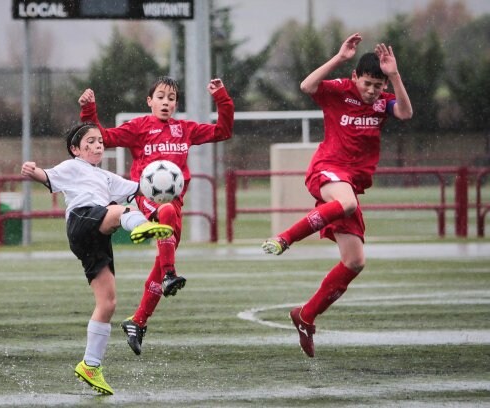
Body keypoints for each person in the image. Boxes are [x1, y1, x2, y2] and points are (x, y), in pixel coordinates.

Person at [262, 33, 413, 357]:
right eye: (367, 83)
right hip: (328, 169)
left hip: (352, 182)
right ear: (355, 77)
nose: (372, 90)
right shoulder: (338, 91)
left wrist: (395, 74)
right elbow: (306, 86)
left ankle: (306, 315)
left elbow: (406, 113)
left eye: (378, 85)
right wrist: (340, 58)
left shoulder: (384, 103)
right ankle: (286, 238)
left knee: (355, 261)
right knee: (344, 203)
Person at [78, 76, 234, 355]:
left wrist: (221, 96)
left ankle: (137, 322)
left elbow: (223, 131)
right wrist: (89, 110)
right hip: (147, 198)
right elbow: (104, 136)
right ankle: (170, 274)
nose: (166, 102)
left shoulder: (184, 130)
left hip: (175, 204)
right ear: (149, 101)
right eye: (160, 97)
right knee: (165, 238)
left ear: (176, 104)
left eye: (171, 98)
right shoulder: (138, 127)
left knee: (160, 259)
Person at [21, 123, 174, 395]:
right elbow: (46, 176)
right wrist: (32, 170)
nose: (98, 145)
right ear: (76, 149)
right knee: (118, 210)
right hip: (82, 219)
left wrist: (166, 180)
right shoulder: (72, 167)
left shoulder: (106, 176)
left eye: (100, 140)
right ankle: (140, 227)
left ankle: (90, 365)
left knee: (108, 302)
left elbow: (141, 188)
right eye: (90, 141)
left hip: (95, 236)